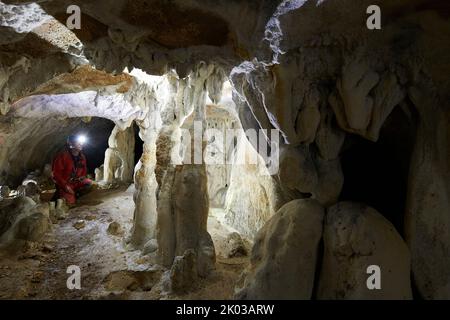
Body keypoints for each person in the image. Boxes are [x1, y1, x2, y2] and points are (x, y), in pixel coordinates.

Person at [52, 135, 92, 205]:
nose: (81, 144)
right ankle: (62, 196)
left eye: (81, 142)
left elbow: (84, 170)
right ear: (71, 144)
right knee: (70, 203)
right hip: (65, 184)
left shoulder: (82, 157)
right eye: (78, 142)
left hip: (76, 182)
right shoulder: (63, 156)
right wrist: (65, 186)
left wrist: (82, 177)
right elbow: (56, 174)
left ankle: (76, 195)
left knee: (89, 183)